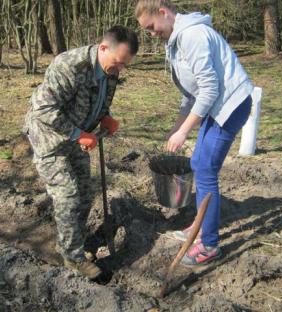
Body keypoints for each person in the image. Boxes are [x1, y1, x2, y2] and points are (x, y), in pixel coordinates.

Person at [135, 0, 254, 265]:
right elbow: (191, 94)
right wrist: (177, 126)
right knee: (199, 164)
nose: (152, 34)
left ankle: (209, 245)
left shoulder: (192, 35)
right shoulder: (175, 41)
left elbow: (209, 89)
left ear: (164, 13)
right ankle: (200, 226)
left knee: (205, 169)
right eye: (148, 30)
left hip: (230, 106)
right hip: (217, 106)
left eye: (152, 27)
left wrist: (184, 132)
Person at [23, 26, 138, 278]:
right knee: (68, 195)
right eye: (118, 63)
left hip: (76, 138)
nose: (120, 71)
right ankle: (73, 259)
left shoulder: (111, 70)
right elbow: (43, 109)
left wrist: (106, 117)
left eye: (125, 66)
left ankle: (71, 242)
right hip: (49, 138)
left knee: (85, 193)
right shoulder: (69, 66)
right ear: (103, 47)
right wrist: (79, 134)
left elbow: (100, 101)